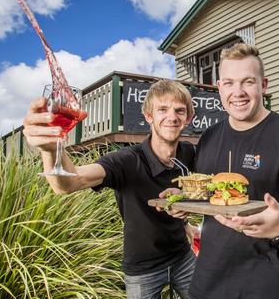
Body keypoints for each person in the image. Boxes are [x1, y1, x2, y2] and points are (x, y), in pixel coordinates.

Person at [165, 43, 279, 298]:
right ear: (219, 87)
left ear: (264, 85)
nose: (237, 92)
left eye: (248, 82)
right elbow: (209, 198)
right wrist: (183, 199)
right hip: (208, 280)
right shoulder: (209, 137)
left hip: (269, 283)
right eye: (229, 83)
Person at [22, 79, 199, 299]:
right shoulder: (125, 160)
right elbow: (68, 184)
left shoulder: (188, 153)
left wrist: (186, 221)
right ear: (148, 116)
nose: (172, 117)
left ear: (188, 118)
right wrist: (51, 150)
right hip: (143, 268)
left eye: (179, 111)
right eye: (162, 109)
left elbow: (199, 188)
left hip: (183, 257)